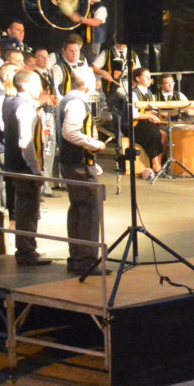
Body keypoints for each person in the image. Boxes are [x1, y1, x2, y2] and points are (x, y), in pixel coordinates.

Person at [55, 63, 107, 272]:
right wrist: (96, 144)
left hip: (75, 163)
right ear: (88, 86)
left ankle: (77, 257)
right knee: (88, 211)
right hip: (77, 165)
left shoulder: (68, 100)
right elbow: (70, 132)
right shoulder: (76, 103)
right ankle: (85, 260)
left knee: (78, 210)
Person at [1, 67, 52, 266]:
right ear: (24, 85)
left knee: (25, 209)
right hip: (23, 168)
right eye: (36, 83)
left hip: (15, 165)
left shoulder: (11, 102)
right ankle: (26, 251)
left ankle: (27, 248)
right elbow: (26, 143)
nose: (40, 87)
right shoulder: (25, 107)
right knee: (28, 210)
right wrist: (35, 170)